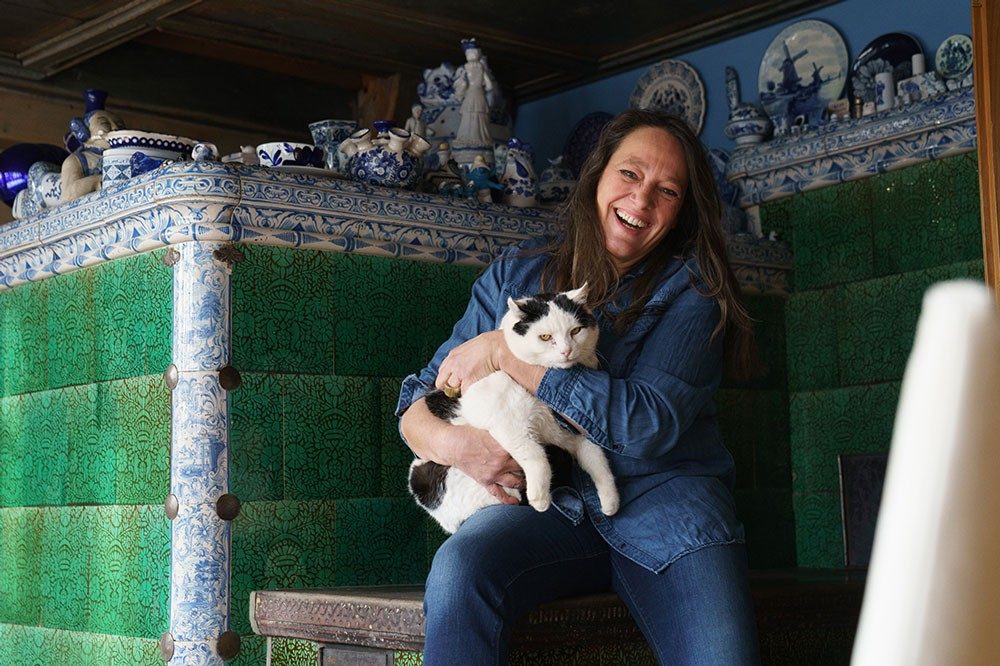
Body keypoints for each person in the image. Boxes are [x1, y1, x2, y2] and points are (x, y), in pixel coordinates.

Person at [396, 108, 760, 665]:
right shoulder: (516, 275)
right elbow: (421, 397)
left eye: (667, 191)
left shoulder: (696, 291)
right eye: (630, 175)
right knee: (460, 570)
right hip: (546, 511)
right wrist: (456, 447)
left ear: (683, 210)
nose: (641, 202)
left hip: (668, 509)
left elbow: (646, 423)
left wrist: (505, 354)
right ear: (598, 176)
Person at [452, 39, 496, 149]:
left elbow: (489, 86)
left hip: (474, 94)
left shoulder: (471, 68)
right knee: (472, 114)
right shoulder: (476, 69)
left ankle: (475, 138)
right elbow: (489, 86)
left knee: (473, 114)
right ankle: (473, 138)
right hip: (477, 94)